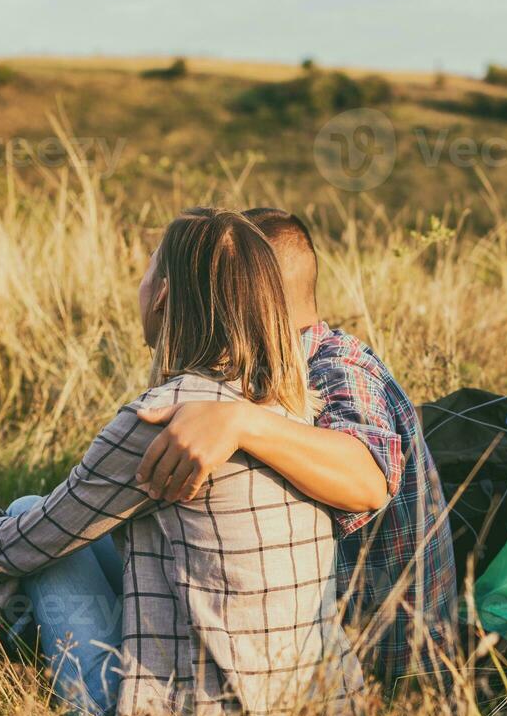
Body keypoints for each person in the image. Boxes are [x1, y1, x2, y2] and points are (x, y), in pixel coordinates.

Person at [0, 210, 363, 716]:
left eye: (145, 272)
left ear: (163, 295)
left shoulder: (165, 418)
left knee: (22, 518)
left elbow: (25, 544)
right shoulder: (291, 404)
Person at [133, 208, 457, 683]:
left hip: (370, 664)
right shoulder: (270, 367)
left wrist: (242, 422)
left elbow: (365, 480)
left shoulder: (334, 367)